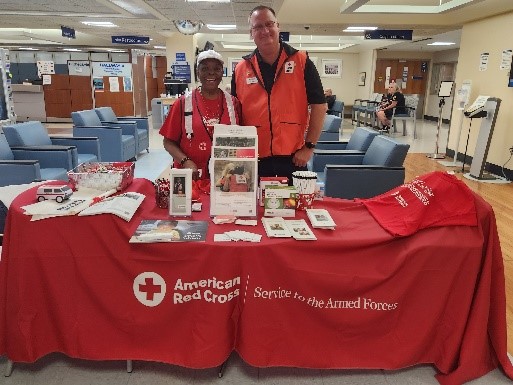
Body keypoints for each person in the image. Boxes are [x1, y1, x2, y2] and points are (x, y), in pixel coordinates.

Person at [231, 5, 327, 183]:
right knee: (256, 210)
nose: (265, 30)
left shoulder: (302, 61)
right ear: (251, 33)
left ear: (278, 26)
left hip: (293, 158)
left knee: (295, 209)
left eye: (269, 24)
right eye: (258, 27)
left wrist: (309, 147)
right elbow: (234, 114)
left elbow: (319, 106)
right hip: (254, 159)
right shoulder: (241, 69)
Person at [160, 49, 242, 180]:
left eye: (217, 68)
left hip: (224, 176)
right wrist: (185, 161)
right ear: (197, 72)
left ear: (222, 72)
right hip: (191, 176)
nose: (211, 72)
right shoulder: (182, 103)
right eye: (204, 69)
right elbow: (168, 142)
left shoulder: (233, 103)